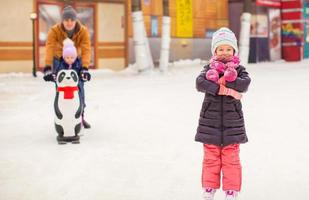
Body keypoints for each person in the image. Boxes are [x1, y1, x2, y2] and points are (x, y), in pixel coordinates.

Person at [195, 27, 251, 200]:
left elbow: (245, 84)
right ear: (215, 51)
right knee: (211, 158)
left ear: (234, 50)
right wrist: (219, 88)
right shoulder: (209, 70)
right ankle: (209, 188)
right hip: (209, 123)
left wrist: (230, 79)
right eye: (221, 49)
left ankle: (231, 190)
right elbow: (199, 83)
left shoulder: (240, 70)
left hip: (232, 123)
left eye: (228, 49)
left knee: (231, 159)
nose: (225, 52)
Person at [43, 5, 91, 128]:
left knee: (79, 88)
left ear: (75, 20)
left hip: (77, 61)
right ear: (62, 20)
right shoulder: (54, 31)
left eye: (72, 20)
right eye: (66, 20)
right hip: (59, 60)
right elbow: (49, 47)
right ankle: (62, 118)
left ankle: (80, 117)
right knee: (61, 90)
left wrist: (85, 68)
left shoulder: (83, 31)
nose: (69, 23)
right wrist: (48, 67)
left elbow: (86, 49)